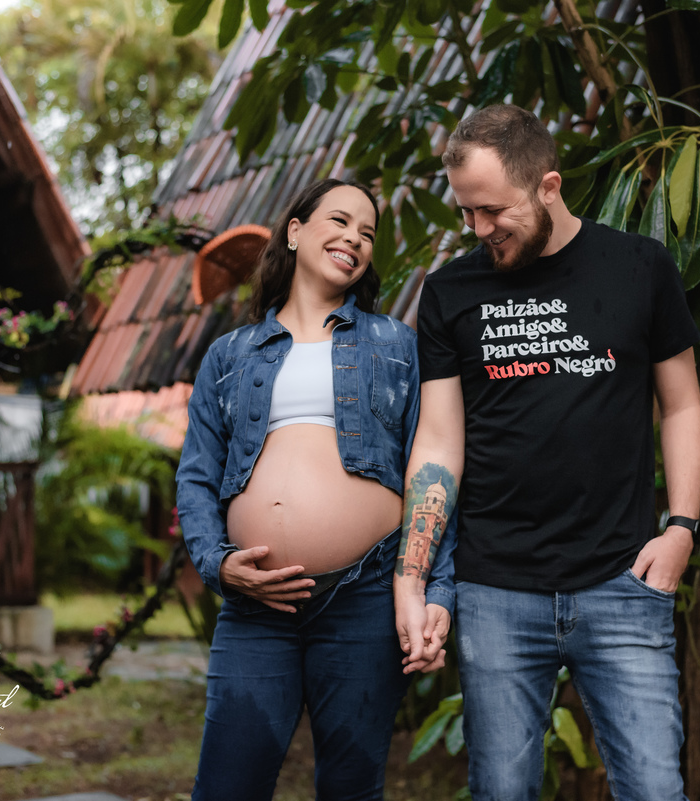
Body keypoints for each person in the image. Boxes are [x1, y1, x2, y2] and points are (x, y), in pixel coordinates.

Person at [393, 105, 700, 800]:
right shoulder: (450, 292)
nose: (479, 229)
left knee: (655, 790)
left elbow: (683, 406)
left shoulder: (640, 267)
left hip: (622, 580)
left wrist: (682, 528)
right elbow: (439, 442)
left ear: (548, 186)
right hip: (496, 590)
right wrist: (411, 579)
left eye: (492, 210)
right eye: (466, 212)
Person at [177, 178, 455, 801]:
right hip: (256, 606)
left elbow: (433, 471)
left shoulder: (396, 345)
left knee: (351, 789)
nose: (355, 238)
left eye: (367, 233)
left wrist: (435, 589)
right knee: (226, 788)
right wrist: (218, 564)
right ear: (295, 231)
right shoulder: (229, 354)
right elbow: (197, 475)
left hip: (366, 594)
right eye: (340, 221)